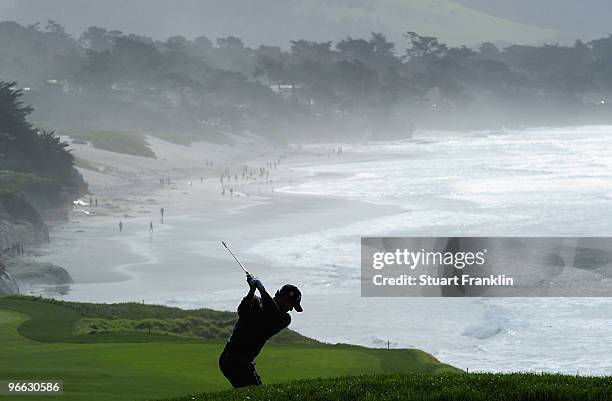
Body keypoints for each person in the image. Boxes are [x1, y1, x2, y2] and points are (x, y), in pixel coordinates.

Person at [219, 276, 302, 388]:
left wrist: (261, 289)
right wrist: (252, 290)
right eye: (291, 304)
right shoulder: (256, 301)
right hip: (232, 358)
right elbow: (242, 310)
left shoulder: (285, 319)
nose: (291, 309)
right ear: (281, 296)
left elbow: (272, 313)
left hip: (243, 361)